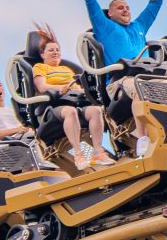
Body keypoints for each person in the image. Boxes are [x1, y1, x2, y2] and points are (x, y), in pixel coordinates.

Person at [83, 0, 165, 158]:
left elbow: (156, 3)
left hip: (146, 75)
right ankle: (143, 139)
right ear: (110, 13)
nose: (126, 9)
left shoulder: (138, 27)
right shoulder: (106, 27)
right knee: (140, 88)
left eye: (127, 7)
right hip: (120, 83)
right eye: (120, 8)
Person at [31, 26, 111, 169]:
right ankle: (79, 155)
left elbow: (78, 87)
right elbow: (42, 87)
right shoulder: (40, 67)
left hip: (74, 101)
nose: (55, 52)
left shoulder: (67, 69)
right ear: (42, 55)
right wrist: (59, 89)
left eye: (57, 50)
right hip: (53, 107)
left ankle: (98, 153)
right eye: (51, 50)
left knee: (96, 111)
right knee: (70, 112)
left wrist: (81, 90)